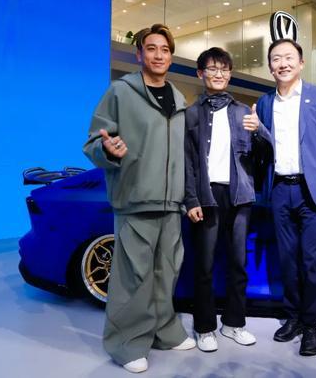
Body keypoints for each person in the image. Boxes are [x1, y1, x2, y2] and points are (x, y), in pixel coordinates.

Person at [83, 24, 194, 373]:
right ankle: (126, 343)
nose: (159, 55)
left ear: (171, 56)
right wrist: (108, 149)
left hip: (171, 203)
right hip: (135, 199)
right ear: (139, 54)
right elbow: (93, 142)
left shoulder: (179, 100)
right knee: (133, 278)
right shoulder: (121, 92)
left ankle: (164, 331)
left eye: (165, 49)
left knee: (166, 272)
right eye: (151, 48)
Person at [255, 38, 316, 357]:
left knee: (312, 264)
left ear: (301, 62)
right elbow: (262, 151)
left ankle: (311, 327)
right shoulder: (265, 103)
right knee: (287, 261)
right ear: (270, 67)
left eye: (288, 57)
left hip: (314, 193)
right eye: (275, 58)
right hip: (280, 191)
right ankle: (293, 318)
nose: (282, 63)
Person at [184, 48, 272, 353]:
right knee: (204, 265)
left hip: (239, 196)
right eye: (212, 68)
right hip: (207, 196)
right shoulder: (191, 114)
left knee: (238, 264)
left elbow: (267, 153)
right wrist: (191, 199)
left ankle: (234, 323)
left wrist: (259, 132)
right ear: (200, 73)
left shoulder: (243, 111)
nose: (218, 74)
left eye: (224, 69)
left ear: (230, 74)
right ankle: (204, 327)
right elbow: (187, 162)